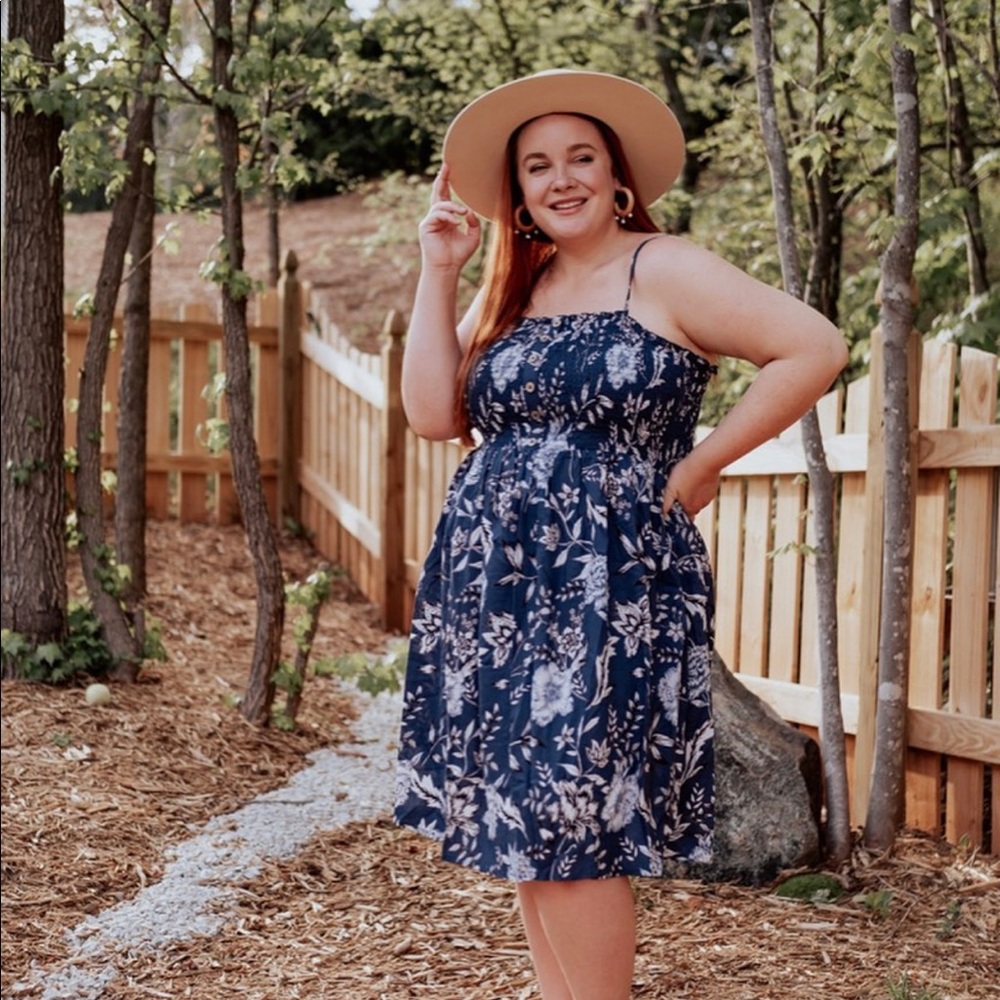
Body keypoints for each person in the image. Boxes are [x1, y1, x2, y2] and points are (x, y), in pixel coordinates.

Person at [394, 69, 847, 1000]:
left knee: (573, 815)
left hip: (609, 581)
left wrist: (700, 463)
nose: (560, 180)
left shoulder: (664, 267)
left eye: (580, 159)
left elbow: (815, 346)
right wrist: (439, 269)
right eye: (537, 166)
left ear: (617, 175)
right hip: (499, 584)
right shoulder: (519, 289)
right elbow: (435, 413)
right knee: (528, 814)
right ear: (516, 191)